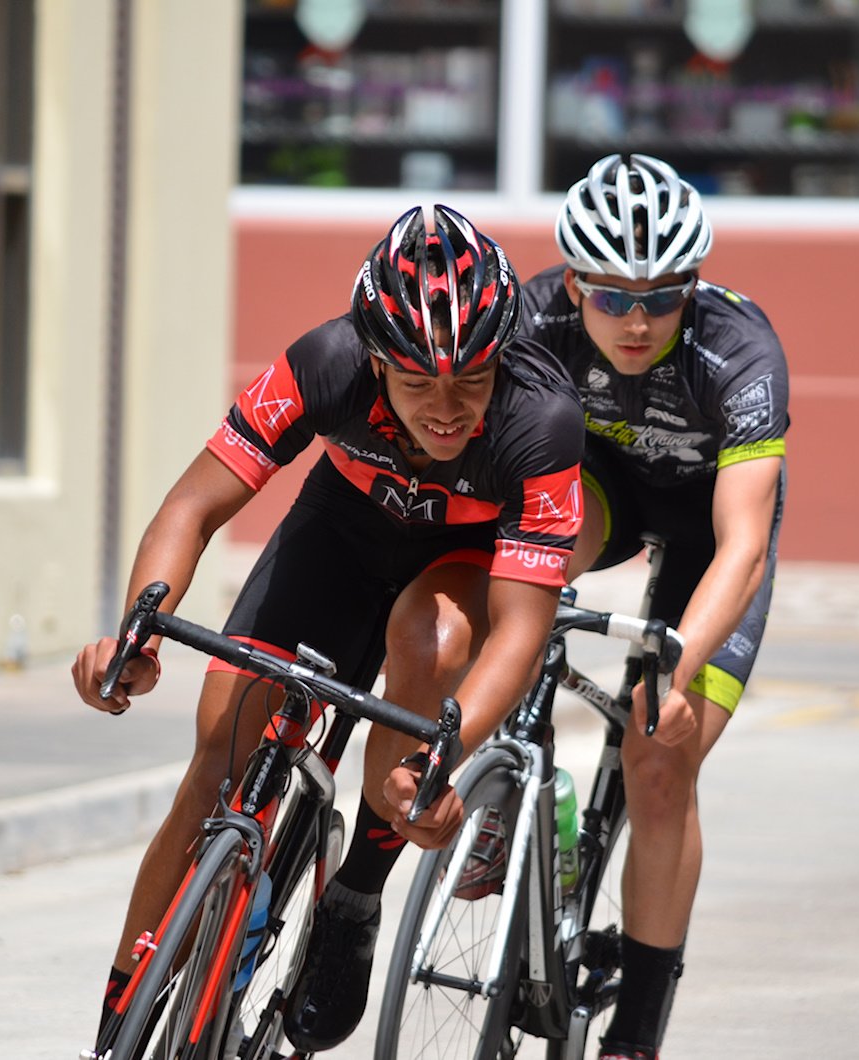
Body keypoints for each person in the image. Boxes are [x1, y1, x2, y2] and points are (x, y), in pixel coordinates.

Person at [73, 204, 584, 1051]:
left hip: (456, 561)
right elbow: (194, 505)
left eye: (470, 382)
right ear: (376, 361)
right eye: (418, 383)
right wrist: (138, 631)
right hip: (338, 535)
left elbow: (520, 631)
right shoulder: (327, 361)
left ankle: (357, 894)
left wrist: (443, 753)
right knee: (219, 755)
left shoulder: (541, 421)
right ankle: (121, 1020)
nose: (447, 409)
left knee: (431, 650)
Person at [517, 153, 789, 1060]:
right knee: (525, 568)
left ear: (694, 288)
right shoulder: (533, 316)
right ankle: (511, 780)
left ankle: (635, 1031)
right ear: (574, 282)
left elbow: (744, 544)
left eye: (663, 299)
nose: (636, 321)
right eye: (611, 299)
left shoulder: (740, 352)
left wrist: (674, 666)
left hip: (709, 530)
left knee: (659, 754)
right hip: (604, 493)